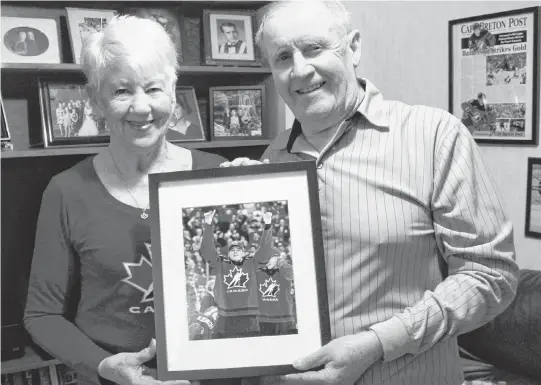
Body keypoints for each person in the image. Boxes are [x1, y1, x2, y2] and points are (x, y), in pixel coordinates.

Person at [223, 1, 519, 384]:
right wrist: (229, 210)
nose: (300, 69)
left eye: (314, 48)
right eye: (282, 57)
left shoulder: (433, 137)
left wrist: (377, 343)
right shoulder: (273, 158)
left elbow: (490, 275)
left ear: (354, 48)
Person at [23, 15, 228, 385]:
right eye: (121, 91)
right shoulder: (66, 190)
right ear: (95, 102)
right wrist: (104, 367)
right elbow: (41, 316)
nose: (141, 108)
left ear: (173, 92)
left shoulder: (218, 174)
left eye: (153, 89)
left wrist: (258, 192)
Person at [199, 210, 274, 339]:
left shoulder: (252, 262)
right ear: (227, 254)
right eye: (232, 250)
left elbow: (265, 250)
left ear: (243, 253)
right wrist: (207, 223)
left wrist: (267, 225)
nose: (235, 252)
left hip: (249, 315)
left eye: (238, 250)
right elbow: (207, 250)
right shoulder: (221, 263)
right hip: (226, 315)